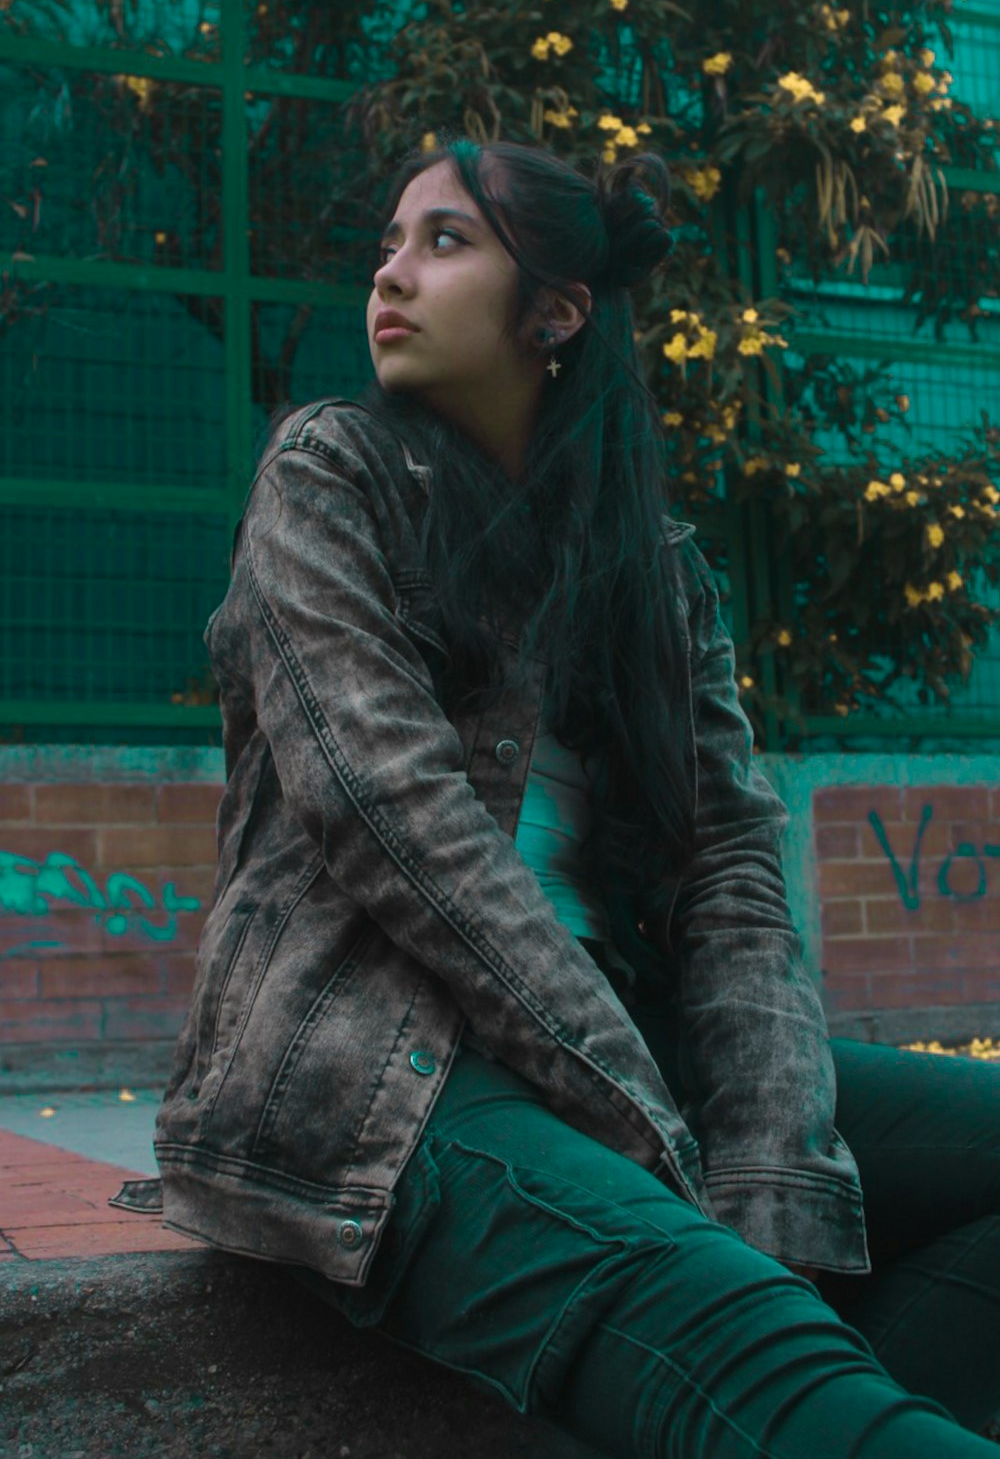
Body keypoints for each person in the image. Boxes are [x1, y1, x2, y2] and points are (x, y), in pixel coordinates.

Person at [121, 136, 1000, 1456]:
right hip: (380, 1068)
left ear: (558, 310)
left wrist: (767, 1177)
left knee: (794, 1299)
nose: (389, 278)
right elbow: (394, 816)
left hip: (624, 1044)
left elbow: (732, 880)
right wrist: (645, 1115)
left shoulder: (656, 567)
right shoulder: (331, 479)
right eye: (388, 246)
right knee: (735, 1322)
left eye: (444, 241)